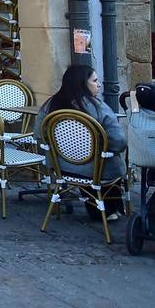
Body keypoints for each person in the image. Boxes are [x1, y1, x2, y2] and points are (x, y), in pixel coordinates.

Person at [34, 65, 128, 221]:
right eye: (95, 81)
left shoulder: (50, 106)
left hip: (62, 168)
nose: (99, 85)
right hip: (96, 170)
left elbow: (39, 136)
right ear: (83, 83)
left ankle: (103, 209)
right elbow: (119, 142)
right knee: (110, 159)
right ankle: (109, 209)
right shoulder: (98, 108)